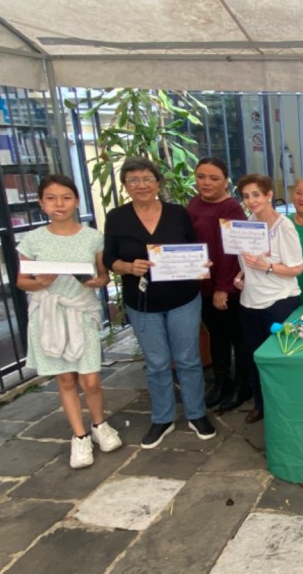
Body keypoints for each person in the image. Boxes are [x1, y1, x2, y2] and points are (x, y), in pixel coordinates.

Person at [103, 157, 216, 448]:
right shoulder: (117, 217)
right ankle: (162, 418)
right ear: (126, 185)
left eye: (147, 179)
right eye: (133, 180)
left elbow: (192, 248)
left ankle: (196, 413)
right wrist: (128, 268)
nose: (141, 185)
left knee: (189, 359)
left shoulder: (178, 213)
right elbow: (109, 259)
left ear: (158, 182)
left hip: (183, 298)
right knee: (156, 363)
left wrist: (200, 263)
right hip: (141, 302)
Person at [16, 174, 121, 468]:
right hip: (48, 312)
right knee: (65, 378)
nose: (59, 204)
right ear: (41, 203)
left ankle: (100, 425)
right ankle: (80, 436)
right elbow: (22, 281)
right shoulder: (32, 239)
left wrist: (96, 282)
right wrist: (40, 283)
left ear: (76, 201)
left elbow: (103, 276)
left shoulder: (92, 237)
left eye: (65, 197)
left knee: (90, 379)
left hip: (80, 310)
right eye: (51, 198)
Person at [235, 174, 303, 424]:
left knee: (280, 358)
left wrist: (267, 267)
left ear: (268, 195)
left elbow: (297, 268)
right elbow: (246, 260)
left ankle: (285, 407)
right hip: (249, 301)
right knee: (254, 358)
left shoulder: (283, 226)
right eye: (246, 196)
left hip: (279, 302)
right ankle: (260, 404)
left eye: (255, 194)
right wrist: (241, 274)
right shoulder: (246, 225)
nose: (251, 201)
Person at [186, 157, 251, 413]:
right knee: (217, 335)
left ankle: (242, 385)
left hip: (226, 287)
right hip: (202, 284)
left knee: (237, 337)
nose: (206, 182)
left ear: (226, 181)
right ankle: (222, 381)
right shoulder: (194, 204)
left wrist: (223, 287)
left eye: (214, 178)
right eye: (201, 176)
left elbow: (231, 253)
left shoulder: (231, 209)